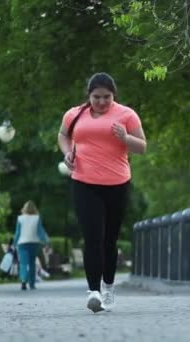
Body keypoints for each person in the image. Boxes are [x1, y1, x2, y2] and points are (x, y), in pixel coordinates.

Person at [57, 72, 147, 313]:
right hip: (84, 182)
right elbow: (63, 135)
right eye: (97, 97)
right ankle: (93, 291)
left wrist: (125, 137)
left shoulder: (126, 114)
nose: (102, 102)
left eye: (107, 97)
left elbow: (142, 146)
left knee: (109, 240)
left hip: (117, 183)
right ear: (89, 95)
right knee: (93, 237)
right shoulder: (74, 114)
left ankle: (108, 286)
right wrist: (67, 153)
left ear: (113, 95)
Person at [12, 200, 50, 290]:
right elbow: (40, 232)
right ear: (34, 209)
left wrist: (14, 243)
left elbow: (17, 233)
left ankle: (23, 281)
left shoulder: (20, 218)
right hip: (34, 243)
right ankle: (32, 284)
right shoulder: (37, 218)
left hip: (22, 244)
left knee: (23, 263)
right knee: (32, 263)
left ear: (24, 208)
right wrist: (46, 242)